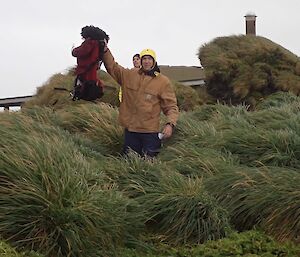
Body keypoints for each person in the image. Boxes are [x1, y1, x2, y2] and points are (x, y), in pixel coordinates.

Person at [103, 43, 179, 157]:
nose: (146, 61)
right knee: (129, 164)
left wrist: (170, 124)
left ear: (154, 61)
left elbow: (171, 106)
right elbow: (112, 67)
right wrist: (105, 50)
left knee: (149, 166)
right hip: (131, 131)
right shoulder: (129, 74)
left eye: (149, 59)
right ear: (141, 60)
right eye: (144, 58)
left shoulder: (163, 82)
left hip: (150, 133)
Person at [72, 26, 109, 98]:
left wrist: (73, 51)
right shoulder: (100, 43)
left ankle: (81, 96)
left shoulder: (90, 42)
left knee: (83, 83)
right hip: (93, 66)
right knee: (92, 81)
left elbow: (82, 51)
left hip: (86, 67)